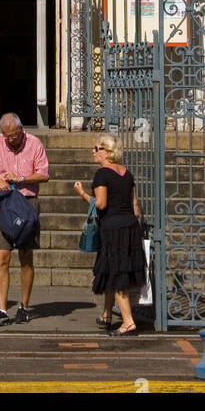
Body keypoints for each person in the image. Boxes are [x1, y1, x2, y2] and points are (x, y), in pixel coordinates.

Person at [0, 112, 49, 326]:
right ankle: (1, 309)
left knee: (26, 257)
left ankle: (24, 306)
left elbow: (44, 174)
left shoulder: (35, 143)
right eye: (6, 135)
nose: (9, 140)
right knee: (2, 257)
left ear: (21, 130)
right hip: (4, 203)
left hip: (27, 203)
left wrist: (22, 178)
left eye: (13, 136)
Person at [74, 133, 145, 335]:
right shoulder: (126, 173)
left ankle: (128, 321)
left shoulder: (102, 174)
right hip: (130, 227)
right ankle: (106, 313)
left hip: (113, 229)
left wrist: (82, 194)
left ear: (107, 152)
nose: (93, 152)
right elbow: (135, 206)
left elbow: (101, 204)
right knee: (111, 271)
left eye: (97, 149)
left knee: (116, 274)